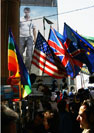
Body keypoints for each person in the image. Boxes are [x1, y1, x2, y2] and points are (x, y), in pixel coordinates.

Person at [19, 7, 36, 73]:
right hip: (21, 37)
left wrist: (35, 38)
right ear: (24, 12)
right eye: (25, 11)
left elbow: (34, 29)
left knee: (29, 53)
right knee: (20, 52)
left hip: (29, 37)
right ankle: (20, 66)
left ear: (29, 12)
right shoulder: (20, 19)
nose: (26, 12)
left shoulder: (32, 20)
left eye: (27, 11)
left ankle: (27, 68)